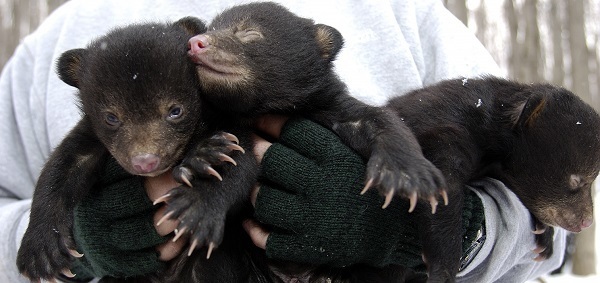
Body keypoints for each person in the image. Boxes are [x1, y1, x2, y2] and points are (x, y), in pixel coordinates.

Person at [0, 0, 567, 282]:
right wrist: (68, 236)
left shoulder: (406, 13)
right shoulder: (65, 32)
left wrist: (441, 230)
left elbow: (549, 230)